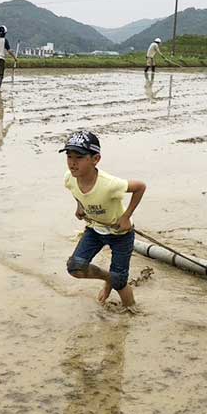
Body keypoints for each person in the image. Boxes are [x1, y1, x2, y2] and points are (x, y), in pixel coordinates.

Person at [61, 131, 146, 309]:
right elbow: (76, 193)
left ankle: (131, 312)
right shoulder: (70, 178)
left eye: (79, 157)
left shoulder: (109, 184)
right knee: (75, 267)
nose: (72, 162)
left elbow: (140, 187)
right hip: (94, 230)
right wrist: (79, 206)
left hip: (120, 234)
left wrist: (126, 217)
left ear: (95, 159)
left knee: (120, 284)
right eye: (69, 156)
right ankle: (109, 278)